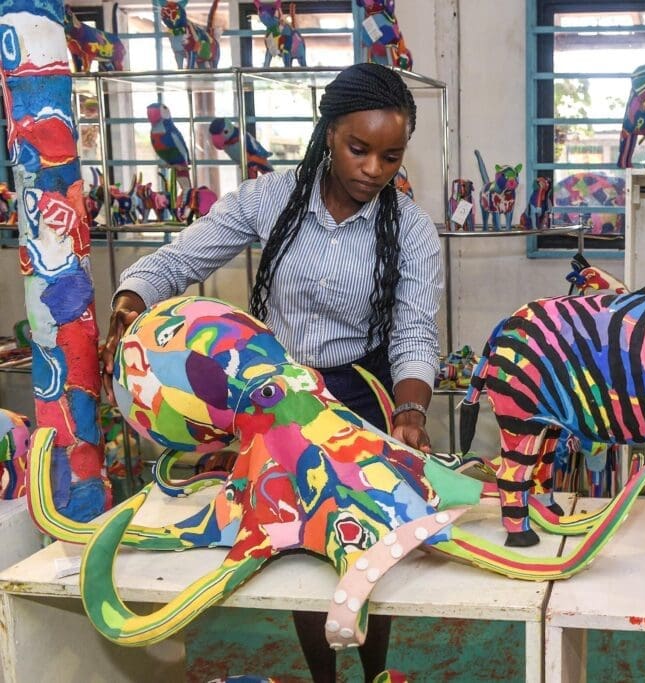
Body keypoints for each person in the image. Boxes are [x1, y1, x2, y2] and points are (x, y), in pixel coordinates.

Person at [101, 63, 442, 683]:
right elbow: (180, 259)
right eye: (358, 149)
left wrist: (410, 412)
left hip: (363, 403)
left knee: (370, 552)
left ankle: (373, 673)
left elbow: (415, 334)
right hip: (278, 403)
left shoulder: (413, 232)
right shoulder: (271, 198)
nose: (373, 169)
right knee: (299, 553)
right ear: (328, 132)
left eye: (391, 156)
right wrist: (131, 299)